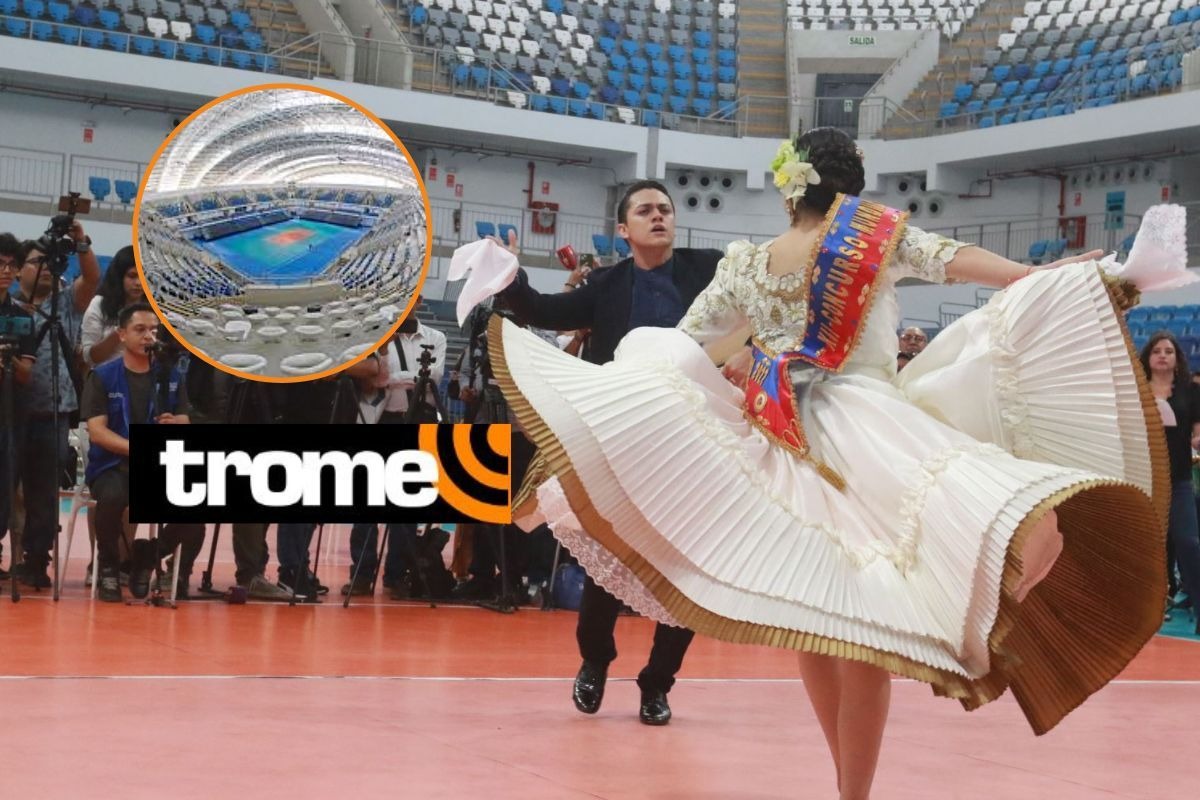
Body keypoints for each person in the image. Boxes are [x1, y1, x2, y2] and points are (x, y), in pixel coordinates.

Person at [472, 129, 1171, 799]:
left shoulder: (745, 264)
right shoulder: (875, 237)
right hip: (874, 432)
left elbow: (683, 343)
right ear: (852, 195)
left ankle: (852, 786)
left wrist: (695, 384)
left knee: (828, 622)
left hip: (785, 445)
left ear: (789, 191)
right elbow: (953, 259)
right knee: (1022, 532)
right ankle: (941, 662)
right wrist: (1040, 275)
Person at [494, 180, 729, 726]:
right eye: (645, 211)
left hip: (694, 444)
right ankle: (595, 660)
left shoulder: (709, 270)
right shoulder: (605, 285)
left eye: (665, 209)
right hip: (622, 441)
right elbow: (541, 309)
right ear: (624, 229)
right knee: (609, 560)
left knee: (685, 569)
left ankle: (657, 684)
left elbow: (751, 313)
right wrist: (510, 274)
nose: (658, 217)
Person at [80, 303, 205, 603]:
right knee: (112, 497)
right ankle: (108, 567)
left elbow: (184, 420)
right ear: (122, 334)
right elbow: (97, 431)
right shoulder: (103, 375)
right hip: (112, 465)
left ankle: (148, 555)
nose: (149, 336)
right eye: (140, 329)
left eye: (153, 330)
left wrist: (176, 424)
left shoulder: (169, 376)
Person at [1141, 331, 1200, 634]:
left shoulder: (1191, 390)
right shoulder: (1135, 390)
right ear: (1148, 358)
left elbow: (1197, 432)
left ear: (1177, 358)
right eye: (1157, 351)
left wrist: (1198, 439)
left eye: (1168, 351)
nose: (1162, 355)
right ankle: (1147, 611)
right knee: (1148, 546)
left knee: (1188, 542)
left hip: (1178, 479)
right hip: (1142, 478)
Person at [80, 245, 144, 368]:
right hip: (106, 376)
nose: (138, 283)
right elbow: (90, 358)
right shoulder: (99, 304)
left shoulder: (158, 307)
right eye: (132, 276)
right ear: (119, 277)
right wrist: (122, 330)